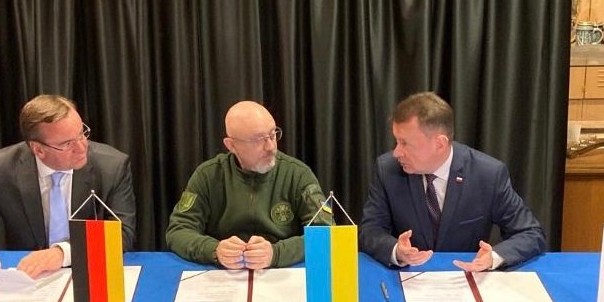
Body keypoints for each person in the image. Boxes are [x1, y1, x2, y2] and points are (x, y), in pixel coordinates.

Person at [0, 94, 136, 280]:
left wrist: (61, 253)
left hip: (89, 274)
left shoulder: (111, 166)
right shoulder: (1, 167)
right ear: (38, 150)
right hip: (26, 279)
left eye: (82, 133)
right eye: (67, 143)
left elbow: (123, 232)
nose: (82, 147)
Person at [359, 91, 545, 270]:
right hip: (407, 277)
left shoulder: (487, 174)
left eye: (405, 143)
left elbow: (530, 233)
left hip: (465, 276)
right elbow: (370, 229)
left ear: (439, 144)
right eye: (397, 141)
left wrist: (493, 257)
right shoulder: (387, 170)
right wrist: (396, 251)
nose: (396, 152)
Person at [166, 100, 329, 269]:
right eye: (258, 139)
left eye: (273, 134)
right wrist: (214, 250)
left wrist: (277, 253)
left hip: (281, 271)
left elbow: (326, 233)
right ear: (231, 145)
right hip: (224, 273)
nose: (270, 146)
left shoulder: (297, 174)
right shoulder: (208, 175)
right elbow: (179, 230)